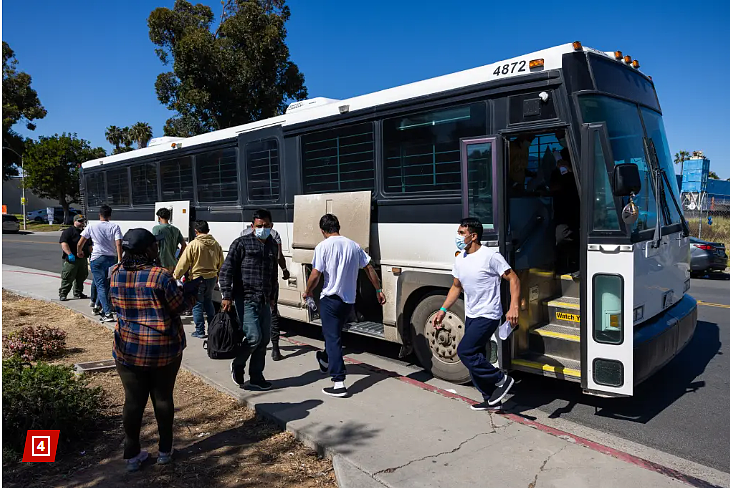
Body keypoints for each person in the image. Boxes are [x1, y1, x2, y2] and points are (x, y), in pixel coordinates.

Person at [109, 228, 199, 472]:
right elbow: (178, 306)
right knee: (162, 398)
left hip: (127, 348)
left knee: (133, 401)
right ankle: (165, 451)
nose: (157, 248)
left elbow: (113, 303)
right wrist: (191, 293)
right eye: (154, 245)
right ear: (148, 250)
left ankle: (132, 455)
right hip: (162, 349)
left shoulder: (115, 272)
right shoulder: (160, 276)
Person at [434, 218, 521, 411]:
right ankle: (491, 399)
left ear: (473, 236)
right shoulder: (460, 258)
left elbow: (513, 278)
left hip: (488, 314)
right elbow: (456, 287)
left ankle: (501, 379)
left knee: (465, 351)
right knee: (477, 355)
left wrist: (513, 306)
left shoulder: (490, 256)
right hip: (471, 314)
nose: (458, 237)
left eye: (461, 233)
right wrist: (442, 310)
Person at [302, 214, 386, 398]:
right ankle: (325, 358)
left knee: (333, 339)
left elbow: (316, 274)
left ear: (323, 230)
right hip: (348, 302)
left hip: (330, 300)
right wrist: (378, 289)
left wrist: (307, 291)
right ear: (338, 227)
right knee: (333, 335)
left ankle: (338, 382)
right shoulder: (354, 245)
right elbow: (369, 267)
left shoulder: (322, 246)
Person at [219, 209, 279, 391]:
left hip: (264, 299)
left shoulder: (272, 245)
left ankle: (256, 376)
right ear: (252, 227)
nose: (262, 229)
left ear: (271, 226)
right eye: (259, 226)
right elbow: (226, 270)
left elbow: (273, 274)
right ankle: (238, 365)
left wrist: (273, 297)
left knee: (264, 340)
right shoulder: (241, 244)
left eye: (266, 226)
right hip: (245, 298)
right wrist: (227, 296)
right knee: (254, 337)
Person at [239, 223, 290, 360]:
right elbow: (279, 256)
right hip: (265, 284)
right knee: (272, 313)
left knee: (252, 315)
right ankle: (275, 348)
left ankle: (253, 343)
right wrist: (284, 270)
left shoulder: (244, 234)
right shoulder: (274, 234)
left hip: (250, 284)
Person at [174, 220, 224, 338]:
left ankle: (200, 331)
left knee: (197, 305)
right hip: (212, 278)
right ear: (208, 230)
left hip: (197, 279)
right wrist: (218, 275)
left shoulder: (193, 244)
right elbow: (221, 262)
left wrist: (175, 276)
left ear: (196, 231)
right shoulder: (216, 244)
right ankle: (212, 329)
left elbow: (183, 263)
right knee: (208, 302)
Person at [78, 205, 123, 323]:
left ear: (100, 215)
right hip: (111, 259)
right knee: (106, 285)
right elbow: (118, 244)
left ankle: (107, 313)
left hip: (97, 258)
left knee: (100, 285)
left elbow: (80, 242)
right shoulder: (115, 226)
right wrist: (119, 259)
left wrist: (79, 252)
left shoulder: (92, 226)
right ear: (110, 215)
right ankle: (98, 305)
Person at [549, 148, 580, 275]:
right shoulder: (556, 172)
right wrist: (561, 171)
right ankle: (564, 266)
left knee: (580, 236)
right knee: (562, 237)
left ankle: (578, 265)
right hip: (562, 211)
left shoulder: (579, 170)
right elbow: (552, 187)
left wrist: (571, 171)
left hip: (579, 209)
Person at [59, 214, 92, 301]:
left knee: (81, 276)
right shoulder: (69, 231)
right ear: (75, 222)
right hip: (72, 259)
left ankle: (78, 292)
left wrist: (90, 254)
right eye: (80, 221)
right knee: (68, 276)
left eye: (83, 221)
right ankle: (63, 293)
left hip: (83, 258)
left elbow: (89, 245)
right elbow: (63, 243)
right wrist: (69, 254)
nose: (82, 223)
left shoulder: (85, 232)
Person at [153, 207, 186, 273]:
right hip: (173, 263)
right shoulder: (176, 230)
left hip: (162, 263)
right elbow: (184, 245)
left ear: (159, 217)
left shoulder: (157, 229)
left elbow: (155, 244)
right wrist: (178, 257)